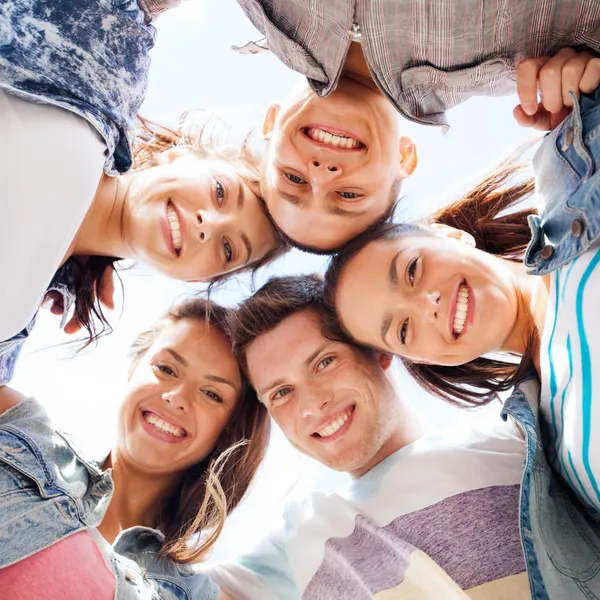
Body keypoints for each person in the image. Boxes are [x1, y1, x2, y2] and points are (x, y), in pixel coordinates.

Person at [203, 274, 600, 599]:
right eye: (282, 393)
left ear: (378, 352)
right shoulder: (298, 542)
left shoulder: (516, 444)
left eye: (324, 362)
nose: (311, 405)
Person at [325, 86, 600, 519]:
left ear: (450, 237)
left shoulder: (580, 179)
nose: (427, 305)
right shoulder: (552, 455)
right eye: (402, 330)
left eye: (413, 270)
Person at [228, 0, 600, 252]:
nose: (323, 175)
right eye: (349, 196)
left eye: (293, 180)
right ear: (404, 159)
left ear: (272, 122)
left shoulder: (265, 9)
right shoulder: (522, 61)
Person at [0, 296, 270, 599]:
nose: (177, 396)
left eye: (211, 393)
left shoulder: (189, 594)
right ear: (132, 371)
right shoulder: (26, 441)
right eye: (167, 369)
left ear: (229, 431)